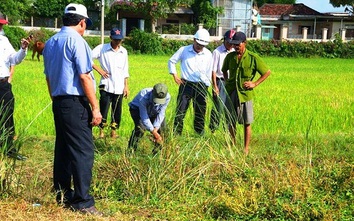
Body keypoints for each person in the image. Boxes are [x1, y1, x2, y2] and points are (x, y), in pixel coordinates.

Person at [42, 3, 103, 216]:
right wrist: (95, 108)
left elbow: (48, 77)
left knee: (64, 149)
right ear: (82, 22)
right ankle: (83, 201)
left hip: (58, 101)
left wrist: (56, 101)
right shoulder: (77, 41)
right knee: (83, 151)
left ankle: (62, 194)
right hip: (75, 102)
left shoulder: (50, 43)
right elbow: (85, 76)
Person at [222, 31, 271, 155]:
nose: (235, 47)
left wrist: (254, 83)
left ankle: (246, 149)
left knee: (246, 122)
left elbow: (267, 72)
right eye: (234, 45)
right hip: (232, 92)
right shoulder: (230, 57)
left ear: (245, 43)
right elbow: (224, 71)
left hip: (245, 94)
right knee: (231, 121)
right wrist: (227, 81)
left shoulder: (253, 58)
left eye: (238, 45)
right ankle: (232, 146)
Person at [168, 28, 213, 135]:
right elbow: (171, 61)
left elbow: (209, 70)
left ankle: (199, 134)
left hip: (202, 86)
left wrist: (207, 86)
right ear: (194, 40)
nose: (200, 47)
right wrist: (175, 75)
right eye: (198, 44)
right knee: (180, 111)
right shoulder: (184, 50)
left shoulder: (208, 54)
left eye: (202, 45)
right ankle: (176, 134)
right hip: (186, 85)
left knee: (200, 112)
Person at [0, 12, 29, 161]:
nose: (0, 27)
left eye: (2, 24)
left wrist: (23, 49)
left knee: (7, 114)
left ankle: (8, 149)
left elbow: (14, 59)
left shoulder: (4, 41)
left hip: (3, 84)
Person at [92, 28, 129, 139]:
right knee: (104, 109)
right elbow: (88, 58)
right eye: (115, 40)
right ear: (111, 38)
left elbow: (125, 69)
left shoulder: (124, 51)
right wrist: (99, 70)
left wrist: (126, 86)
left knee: (117, 110)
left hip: (119, 86)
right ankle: (101, 132)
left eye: (119, 40)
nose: (117, 42)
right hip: (106, 84)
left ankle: (113, 132)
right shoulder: (102, 48)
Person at [128, 83, 170, 153]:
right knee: (141, 129)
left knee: (163, 129)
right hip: (137, 109)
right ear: (152, 92)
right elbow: (144, 116)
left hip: (154, 111)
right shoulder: (143, 96)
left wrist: (156, 129)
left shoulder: (167, 97)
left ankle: (156, 152)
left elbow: (161, 113)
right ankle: (131, 150)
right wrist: (153, 132)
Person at [209, 30, 236, 132]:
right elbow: (213, 70)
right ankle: (213, 129)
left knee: (230, 107)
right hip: (220, 81)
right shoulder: (217, 52)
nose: (230, 44)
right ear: (224, 40)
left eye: (232, 42)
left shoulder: (234, 52)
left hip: (231, 82)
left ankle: (228, 130)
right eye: (228, 42)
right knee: (218, 107)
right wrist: (215, 86)